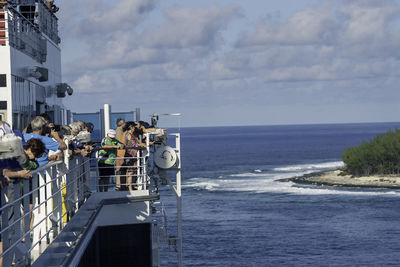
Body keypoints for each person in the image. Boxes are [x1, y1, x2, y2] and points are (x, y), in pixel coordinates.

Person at [115, 118, 126, 190]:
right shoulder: (119, 131)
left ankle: (121, 184)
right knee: (120, 168)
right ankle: (119, 185)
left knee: (120, 169)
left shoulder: (120, 130)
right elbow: (120, 141)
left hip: (120, 153)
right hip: (120, 153)